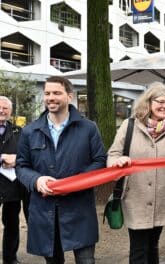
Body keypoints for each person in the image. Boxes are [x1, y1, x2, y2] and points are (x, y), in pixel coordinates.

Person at [107, 82, 165, 264]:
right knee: (139, 248)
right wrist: (117, 162)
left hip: (163, 197)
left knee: (153, 244)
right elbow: (113, 154)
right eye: (160, 101)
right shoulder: (130, 125)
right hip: (136, 197)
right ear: (148, 103)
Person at [16, 76, 107, 264]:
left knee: (86, 261)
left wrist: (75, 183)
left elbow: (100, 161)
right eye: (47, 93)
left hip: (79, 208)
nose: (51, 97)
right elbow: (21, 166)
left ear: (69, 96)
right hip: (45, 210)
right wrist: (36, 180)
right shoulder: (29, 131)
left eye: (57, 93)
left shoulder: (89, 128)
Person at [0, 96, 27, 264]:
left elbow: (27, 154)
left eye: (5, 108)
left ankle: (10, 258)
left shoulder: (19, 131)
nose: (2, 111)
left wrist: (17, 159)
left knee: (11, 224)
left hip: (11, 186)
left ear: (10, 111)